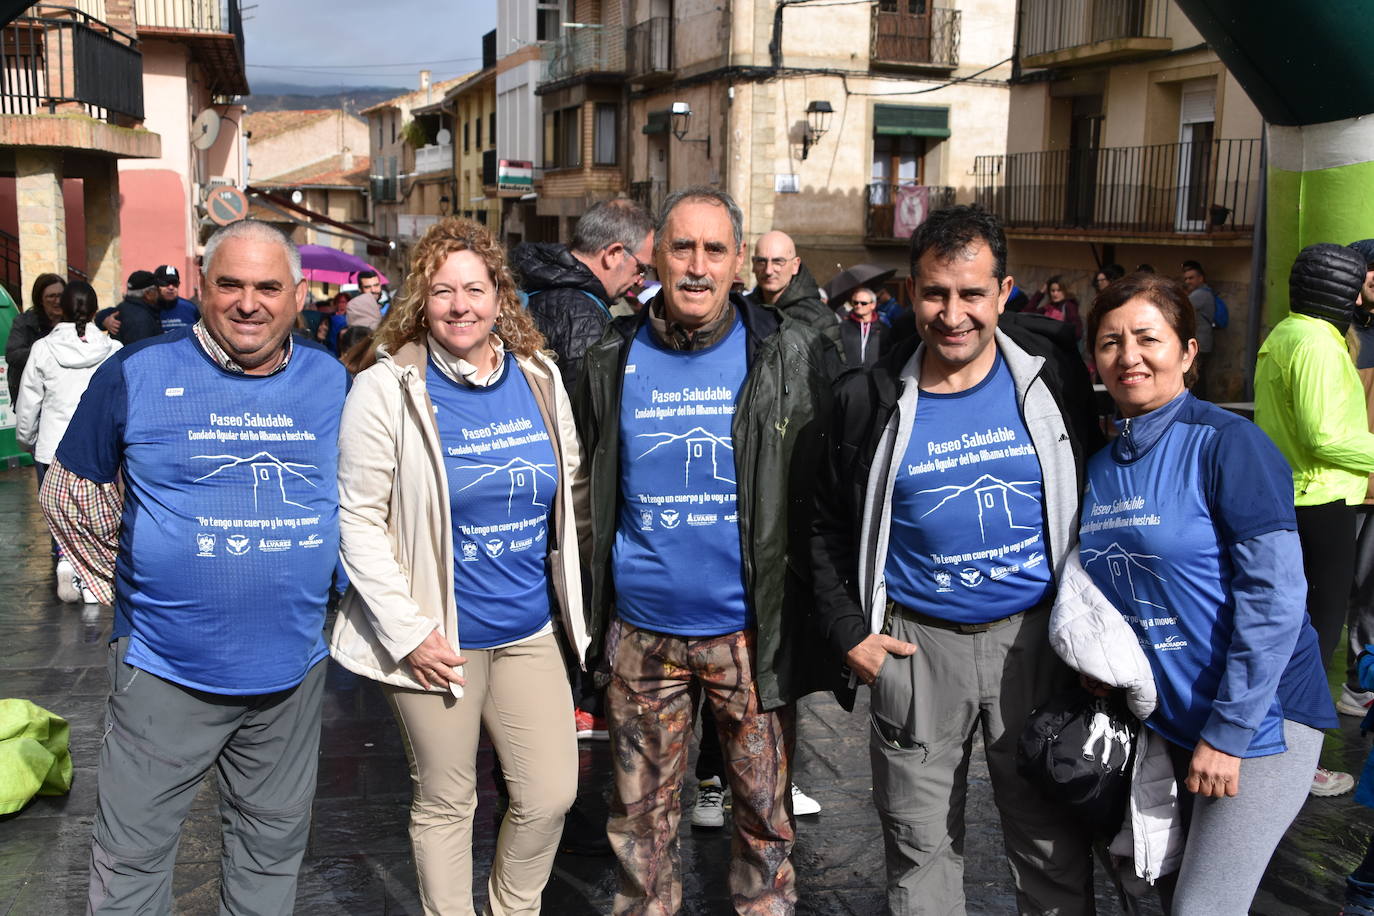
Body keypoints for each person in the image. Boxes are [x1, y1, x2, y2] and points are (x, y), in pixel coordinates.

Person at [39, 219, 348, 913]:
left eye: (268, 287)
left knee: (270, 862)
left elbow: (358, 501)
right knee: (131, 867)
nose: (249, 303)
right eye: (231, 284)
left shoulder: (332, 381)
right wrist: (143, 587)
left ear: (297, 297)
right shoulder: (138, 369)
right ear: (200, 290)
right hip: (164, 672)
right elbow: (69, 493)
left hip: (290, 677)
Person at [811, 204, 1102, 914]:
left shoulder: (1051, 376)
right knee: (918, 852)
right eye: (936, 292)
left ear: (1004, 293)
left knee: (1050, 846)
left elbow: (1097, 488)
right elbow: (819, 525)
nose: (953, 314)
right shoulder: (868, 398)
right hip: (917, 650)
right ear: (910, 292)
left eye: (972, 294)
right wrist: (851, 632)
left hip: (1033, 646)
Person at [575, 186, 831, 913]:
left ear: (739, 263)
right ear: (654, 253)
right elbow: (589, 490)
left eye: (714, 250)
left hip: (750, 638)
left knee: (764, 828)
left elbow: (821, 489)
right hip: (641, 641)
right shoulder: (610, 357)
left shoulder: (781, 353)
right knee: (640, 832)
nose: (696, 266)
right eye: (682, 247)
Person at [329, 217, 588, 915]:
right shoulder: (386, 389)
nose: (460, 305)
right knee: (448, 799)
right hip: (438, 637)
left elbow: (571, 486)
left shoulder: (539, 377)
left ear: (500, 294)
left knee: (550, 793)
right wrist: (409, 632)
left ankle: (514, 908)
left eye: (475, 288)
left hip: (528, 627)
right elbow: (356, 518)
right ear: (421, 299)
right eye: (443, 291)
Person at [1073, 271, 1337, 912]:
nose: (1129, 356)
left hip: (1260, 719)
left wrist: (1228, 734)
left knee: (1204, 905)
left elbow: (1275, 601)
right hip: (1169, 721)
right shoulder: (1104, 465)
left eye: (1147, 339)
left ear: (1188, 353)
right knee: (1156, 891)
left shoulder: (1230, 445)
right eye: (1110, 343)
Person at [1255, 242, 1374, 797]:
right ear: (1344, 292)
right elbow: (1324, 436)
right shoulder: (1317, 344)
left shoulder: (1287, 332)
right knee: (1315, 640)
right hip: (1320, 501)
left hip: (1298, 498)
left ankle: (1279, 751)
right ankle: (1298, 764)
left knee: (1293, 634)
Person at [15, 280, 120, 604]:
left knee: (60, 514)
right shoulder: (113, 349)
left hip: (51, 446)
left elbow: (29, 401)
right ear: (93, 308)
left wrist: (26, 439)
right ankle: (92, 581)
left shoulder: (43, 348)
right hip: (99, 449)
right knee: (96, 515)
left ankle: (65, 561)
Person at [512, 198, 655, 395]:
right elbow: (586, 415)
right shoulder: (583, 317)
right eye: (641, 268)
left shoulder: (534, 278)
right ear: (614, 253)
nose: (641, 281)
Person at [1345, 238, 1374, 718]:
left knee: (1371, 592)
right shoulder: (1337, 334)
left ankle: (1360, 682)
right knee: (1329, 591)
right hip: (1343, 481)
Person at [745, 229, 834, 328]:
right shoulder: (742, 310)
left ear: (795, 265)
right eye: (761, 261)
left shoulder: (819, 318)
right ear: (753, 265)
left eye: (778, 262)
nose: (768, 271)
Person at [6, 272, 64, 404]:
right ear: (40, 300)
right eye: (51, 296)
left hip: (62, 394)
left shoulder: (72, 323)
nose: (57, 301)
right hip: (31, 396)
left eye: (61, 296)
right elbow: (13, 355)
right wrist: (45, 353)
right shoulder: (25, 322)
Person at [1180, 260, 1217, 395]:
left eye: (1191, 278)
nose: (1188, 281)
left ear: (1201, 278)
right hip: (1202, 342)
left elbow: (1179, 310)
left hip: (1201, 344)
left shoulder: (1200, 294)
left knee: (1196, 380)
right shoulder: (1202, 293)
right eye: (1186, 279)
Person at [828, 286, 886, 370]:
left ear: (873, 305)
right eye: (855, 302)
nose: (858, 306)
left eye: (863, 303)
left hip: (874, 376)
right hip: (849, 375)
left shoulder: (883, 328)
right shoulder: (843, 327)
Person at [113, 269, 164, 344]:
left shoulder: (123, 307)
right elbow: (141, 351)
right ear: (148, 294)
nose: (159, 293)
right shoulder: (140, 319)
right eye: (157, 290)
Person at [1028, 275, 1084, 340]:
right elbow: (1027, 314)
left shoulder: (1069, 306)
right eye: (1052, 290)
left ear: (1065, 290)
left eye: (1059, 290)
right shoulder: (1048, 307)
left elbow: (1077, 333)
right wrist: (1041, 293)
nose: (1055, 294)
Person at [152, 264, 200, 333]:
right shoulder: (149, 310)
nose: (171, 287)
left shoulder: (190, 308)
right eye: (166, 283)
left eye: (175, 283)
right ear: (156, 285)